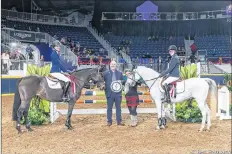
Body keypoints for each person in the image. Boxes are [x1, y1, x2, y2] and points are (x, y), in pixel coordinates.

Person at [103, 60, 124, 126]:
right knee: (109, 108)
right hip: (109, 93)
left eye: (114, 64)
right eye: (111, 64)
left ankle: (119, 121)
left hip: (118, 94)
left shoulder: (120, 73)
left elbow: (123, 81)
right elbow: (102, 82)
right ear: (109, 65)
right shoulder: (105, 73)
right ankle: (109, 121)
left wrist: (121, 81)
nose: (113, 65)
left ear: (116, 65)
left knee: (118, 108)